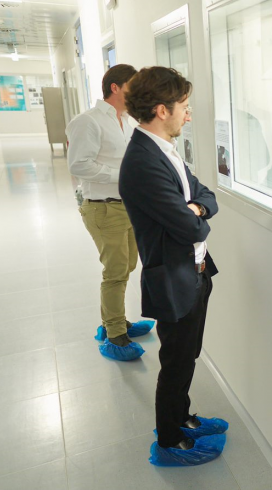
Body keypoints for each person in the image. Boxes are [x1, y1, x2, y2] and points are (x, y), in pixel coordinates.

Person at [120, 66, 227, 466]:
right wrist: (197, 215)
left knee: (188, 355)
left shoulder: (162, 148)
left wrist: (197, 207)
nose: (189, 113)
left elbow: (205, 197)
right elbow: (190, 228)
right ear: (162, 110)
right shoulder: (143, 162)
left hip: (194, 274)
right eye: (184, 106)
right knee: (176, 362)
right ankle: (168, 441)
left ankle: (181, 419)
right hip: (173, 279)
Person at [66, 64, 153, 362]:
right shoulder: (87, 121)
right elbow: (78, 164)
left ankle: (116, 319)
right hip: (103, 208)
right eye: (133, 86)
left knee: (127, 266)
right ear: (115, 87)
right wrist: (124, 174)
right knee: (115, 271)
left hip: (127, 206)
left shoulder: (125, 122)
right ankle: (115, 333)